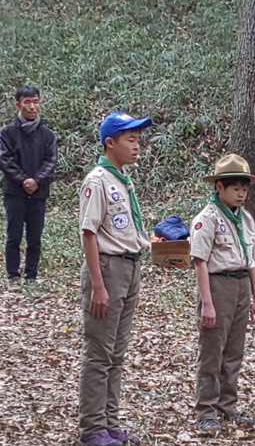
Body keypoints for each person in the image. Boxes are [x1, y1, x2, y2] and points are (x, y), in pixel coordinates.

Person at [78, 112, 153, 446]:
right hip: (108, 269)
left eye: (138, 140)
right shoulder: (97, 180)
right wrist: (97, 284)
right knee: (100, 351)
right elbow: (89, 233)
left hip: (130, 266)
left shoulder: (122, 178)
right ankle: (92, 428)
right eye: (130, 140)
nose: (137, 146)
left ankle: (109, 422)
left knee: (117, 352)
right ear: (110, 143)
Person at [190, 154, 255, 436]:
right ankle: (206, 411)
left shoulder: (245, 218)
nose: (241, 194)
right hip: (218, 286)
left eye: (244, 189)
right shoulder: (207, 218)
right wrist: (207, 304)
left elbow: (253, 260)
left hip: (241, 285)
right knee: (212, 352)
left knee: (234, 351)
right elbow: (200, 262)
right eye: (235, 188)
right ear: (219, 187)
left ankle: (227, 404)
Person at [0, 85, 58, 291]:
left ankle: (31, 276)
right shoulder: (7, 133)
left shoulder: (47, 134)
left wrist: (37, 180)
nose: (32, 106)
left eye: (35, 101)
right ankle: (13, 276)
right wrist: (24, 180)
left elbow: (51, 161)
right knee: (14, 235)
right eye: (27, 102)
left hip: (39, 193)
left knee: (35, 237)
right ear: (18, 104)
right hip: (14, 192)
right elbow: (4, 160)